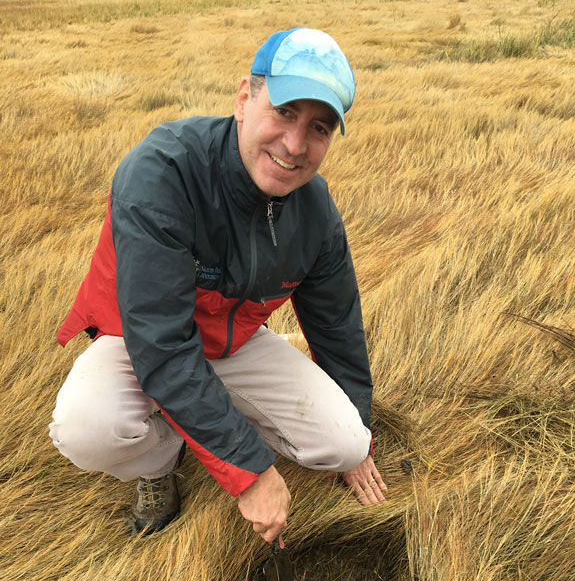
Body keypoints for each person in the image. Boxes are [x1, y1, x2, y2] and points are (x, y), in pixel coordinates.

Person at [49, 27, 387, 544]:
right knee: (88, 428)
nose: (295, 145)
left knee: (343, 443)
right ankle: (159, 463)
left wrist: (360, 437)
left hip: (234, 343)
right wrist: (250, 474)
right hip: (138, 340)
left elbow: (337, 327)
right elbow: (162, 344)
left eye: (318, 127)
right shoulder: (162, 174)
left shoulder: (316, 212)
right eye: (284, 112)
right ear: (244, 99)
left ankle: (208, 416)